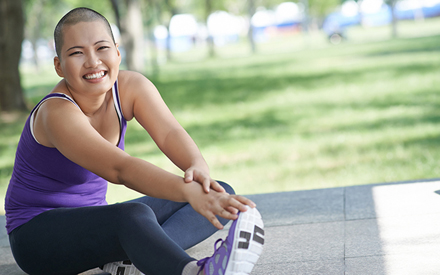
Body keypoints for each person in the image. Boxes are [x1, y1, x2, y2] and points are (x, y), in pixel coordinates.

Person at [4, 7, 264, 275]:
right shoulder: (56, 113)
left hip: (96, 223)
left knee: (220, 191)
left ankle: (136, 260)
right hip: (37, 237)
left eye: (101, 48)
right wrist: (188, 191)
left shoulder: (130, 87)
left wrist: (197, 168)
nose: (93, 61)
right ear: (59, 65)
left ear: (117, 52)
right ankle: (193, 272)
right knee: (133, 217)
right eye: (76, 53)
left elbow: (169, 133)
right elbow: (120, 169)